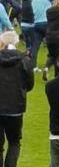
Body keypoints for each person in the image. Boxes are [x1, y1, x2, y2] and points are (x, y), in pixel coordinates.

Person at [0, 32, 34, 167]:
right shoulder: (24, 60)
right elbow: (30, 84)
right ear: (16, 43)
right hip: (16, 106)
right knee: (14, 142)